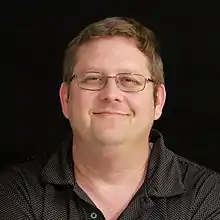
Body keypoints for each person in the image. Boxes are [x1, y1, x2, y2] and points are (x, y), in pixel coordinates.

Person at [1, 17, 220, 220]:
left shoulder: (207, 196)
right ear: (66, 99)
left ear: (158, 102)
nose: (111, 94)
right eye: (93, 78)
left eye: (130, 80)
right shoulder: (17, 192)